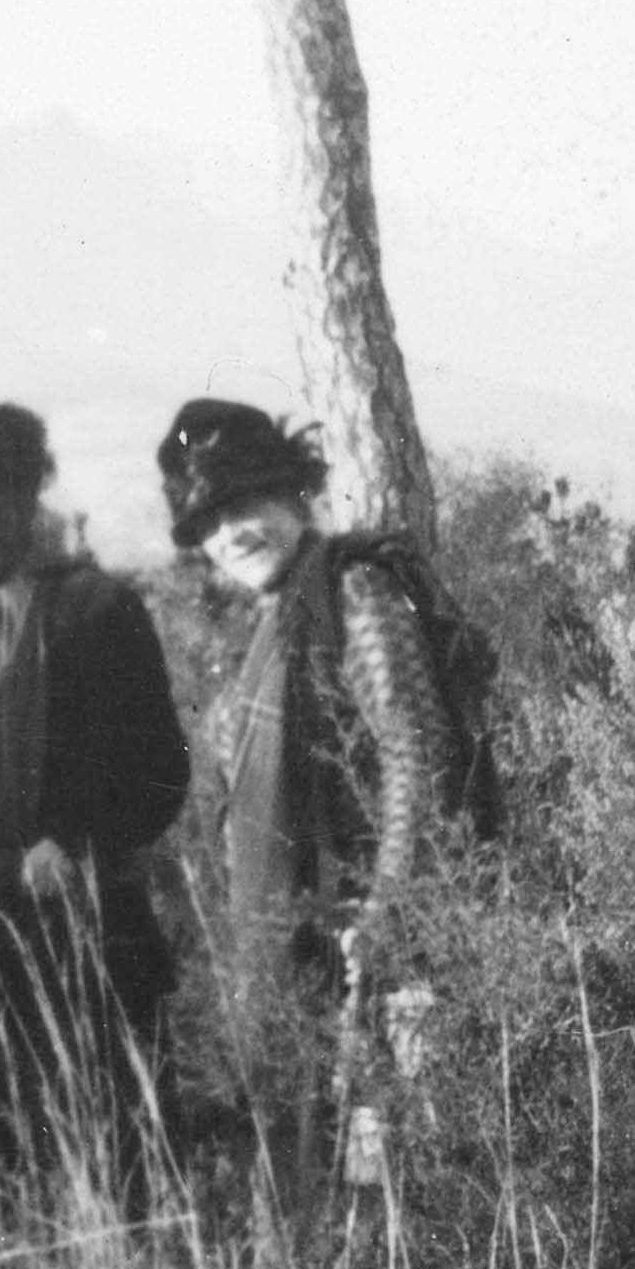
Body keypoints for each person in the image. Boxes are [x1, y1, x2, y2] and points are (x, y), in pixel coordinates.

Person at [156, 397, 457, 1197]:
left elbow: (413, 750)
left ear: (294, 491)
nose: (231, 533)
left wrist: (388, 910)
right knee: (310, 1173)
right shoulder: (271, 620)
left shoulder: (353, 593)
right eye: (209, 523)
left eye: (244, 502)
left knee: (390, 1184)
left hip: (367, 950)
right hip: (291, 957)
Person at [0, 399, 190, 1169]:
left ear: (26, 498)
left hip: (88, 931)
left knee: (115, 1158)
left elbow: (159, 774)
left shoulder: (98, 610)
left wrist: (77, 841)